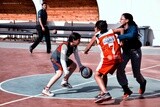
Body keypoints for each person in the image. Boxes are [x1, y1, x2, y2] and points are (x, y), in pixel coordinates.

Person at [84, 20, 122, 103]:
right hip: (118, 57)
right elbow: (121, 29)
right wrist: (121, 40)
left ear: (97, 28)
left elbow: (88, 47)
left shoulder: (97, 36)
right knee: (104, 74)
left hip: (108, 59)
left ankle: (105, 93)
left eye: (95, 27)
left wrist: (85, 51)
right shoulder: (111, 31)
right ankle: (102, 92)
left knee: (96, 75)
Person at [116, 13, 147, 100]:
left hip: (135, 52)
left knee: (136, 73)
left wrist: (119, 36)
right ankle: (126, 89)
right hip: (125, 52)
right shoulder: (120, 28)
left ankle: (143, 82)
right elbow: (113, 33)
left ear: (127, 20)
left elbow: (131, 35)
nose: (120, 20)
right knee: (119, 68)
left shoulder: (133, 27)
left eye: (122, 18)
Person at [42, 32, 84, 96]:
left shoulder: (74, 47)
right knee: (59, 73)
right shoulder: (65, 46)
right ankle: (46, 89)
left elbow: (76, 57)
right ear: (73, 40)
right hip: (56, 59)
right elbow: (62, 59)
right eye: (78, 40)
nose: (80, 41)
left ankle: (64, 81)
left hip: (64, 58)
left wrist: (80, 66)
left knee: (74, 66)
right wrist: (65, 70)